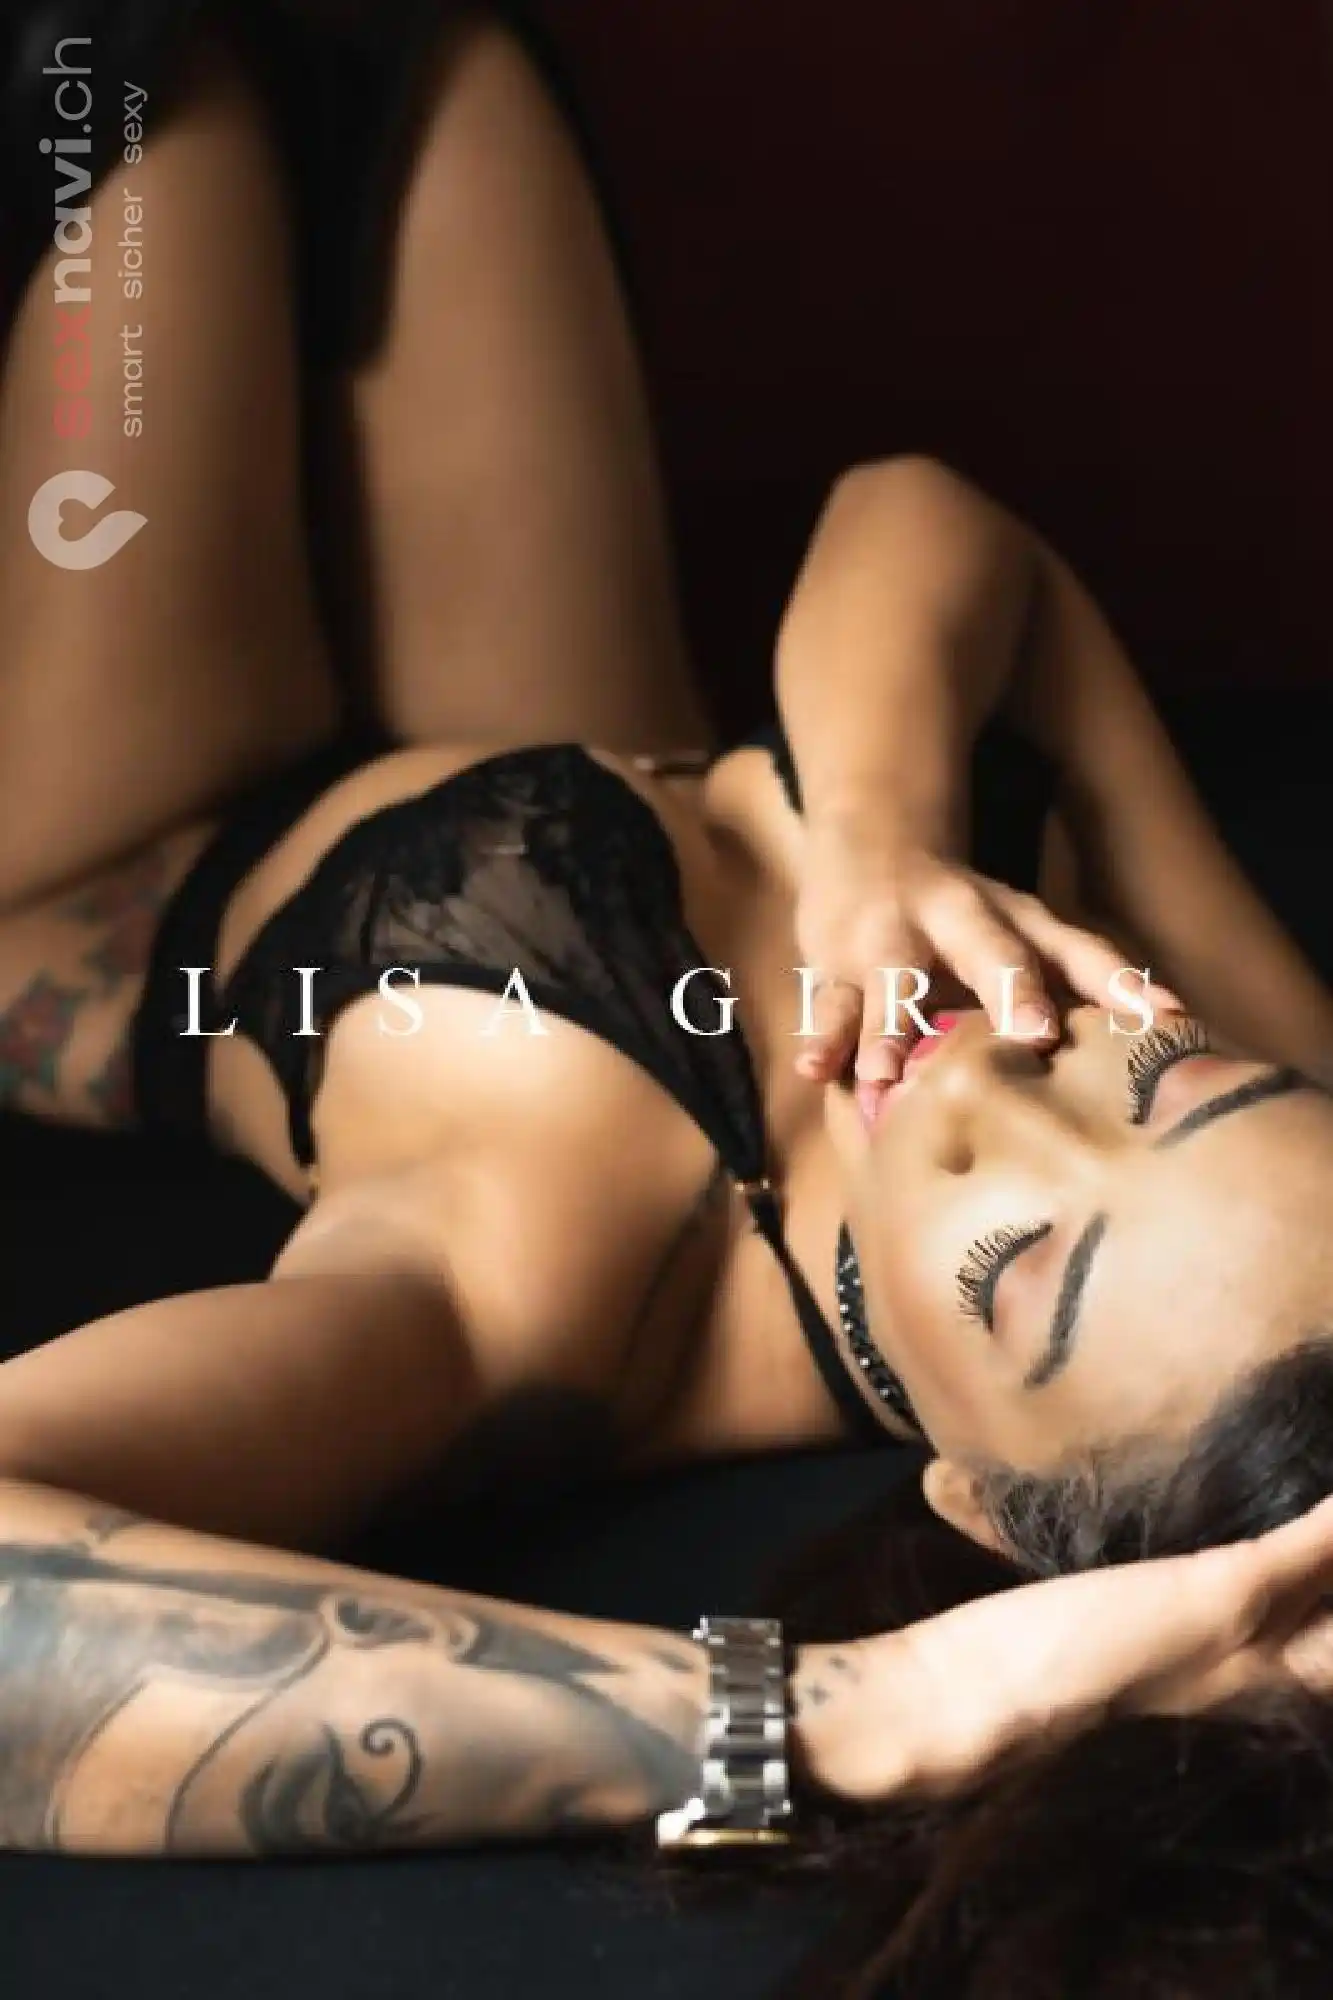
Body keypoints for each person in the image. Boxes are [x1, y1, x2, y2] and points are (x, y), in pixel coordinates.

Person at [2, 3, 1333, 1941]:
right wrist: (877, 833)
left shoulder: (541, 1295)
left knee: (133, 65)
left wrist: (859, 1711)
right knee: (419, 50)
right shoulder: (1287, 1176)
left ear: (977, 1498)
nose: (991, 1075)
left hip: (129, 839)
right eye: (1166, 1075)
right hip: (560, 706)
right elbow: (935, 523)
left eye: (1021, 1263)